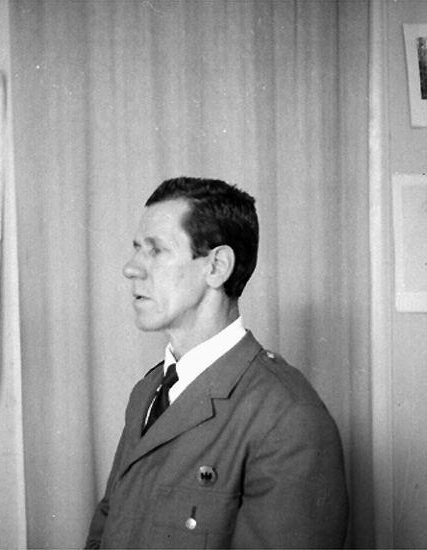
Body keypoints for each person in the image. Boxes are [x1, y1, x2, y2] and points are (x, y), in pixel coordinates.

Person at [85, 177, 348, 549]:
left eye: (156, 250)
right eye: (137, 249)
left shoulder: (287, 416)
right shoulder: (148, 392)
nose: (131, 268)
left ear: (217, 266)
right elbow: (108, 526)